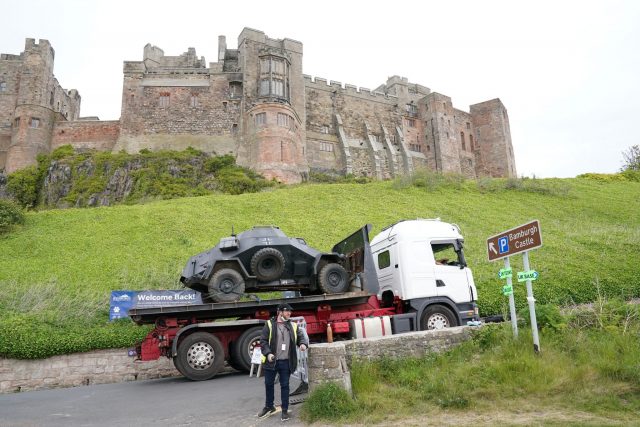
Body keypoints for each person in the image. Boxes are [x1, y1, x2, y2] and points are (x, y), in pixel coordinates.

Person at [257, 303, 309, 421]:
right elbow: (263, 341)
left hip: (286, 362)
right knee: (269, 384)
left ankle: (284, 410)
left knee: (285, 385)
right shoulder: (269, 324)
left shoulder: (293, 325)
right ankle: (269, 406)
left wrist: (302, 344)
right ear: (279, 312)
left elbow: (300, 337)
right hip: (271, 361)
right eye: (286, 311)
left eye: (290, 311)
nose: (289, 313)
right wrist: (268, 353)